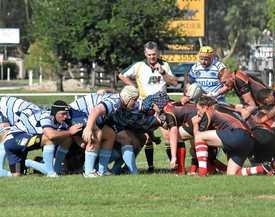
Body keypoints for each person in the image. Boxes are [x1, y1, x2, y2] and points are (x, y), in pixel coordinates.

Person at [118, 41, 178, 171]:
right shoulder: (139, 66)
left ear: (158, 53)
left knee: (167, 135)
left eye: (154, 54)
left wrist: (163, 73)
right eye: (149, 54)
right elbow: (121, 75)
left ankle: (173, 167)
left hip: (162, 104)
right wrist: (133, 87)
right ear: (145, 54)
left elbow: (174, 83)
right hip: (145, 105)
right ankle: (151, 167)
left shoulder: (164, 65)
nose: (152, 57)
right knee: (147, 138)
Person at [4, 100, 82, 176]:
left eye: (67, 114)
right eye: (63, 114)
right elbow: (50, 135)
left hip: (27, 140)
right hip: (15, 138)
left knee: (16, 175)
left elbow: (69, 136)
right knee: (49, 138)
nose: (65, 116)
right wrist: (70, 132)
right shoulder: (46, 115)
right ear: (54, 113)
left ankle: (52, 169)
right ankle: (51, 173)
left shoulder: (63, 123)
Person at [82, 85, 140, 176]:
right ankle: (88, 171)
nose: (135, 103)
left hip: (88, 117)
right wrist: (88, 128)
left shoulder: (119, 100)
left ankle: (102, 170)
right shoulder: (115, 102)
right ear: (127, 98)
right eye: (134, 100)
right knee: (97, 134)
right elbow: (95, 110)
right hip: (80, 115)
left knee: (110, 134)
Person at [192, 96, 254, 176]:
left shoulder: (209, 111)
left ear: (205, 107)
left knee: (199, 137)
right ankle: (263, 168)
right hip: (249, 139)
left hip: (237, 134)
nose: (198, 112)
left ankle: (202, 173)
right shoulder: (223, 105)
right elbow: (240, 109)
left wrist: (195, 124)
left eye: (198, 109)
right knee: (232, 173)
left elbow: (198, 136)